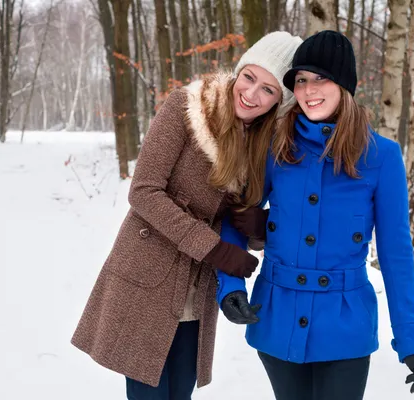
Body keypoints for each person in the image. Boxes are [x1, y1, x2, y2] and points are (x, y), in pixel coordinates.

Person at [70, 31, 303, 400]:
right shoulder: (186, 106)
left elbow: (240, 223)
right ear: (239, 71)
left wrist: (262, 227)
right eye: (249, 77)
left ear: (280, 100)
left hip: (198, 290)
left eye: (268, 90)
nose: (252, 94)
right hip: (148, 276)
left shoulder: (263, 144)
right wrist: (214, 249)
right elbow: (144, 191)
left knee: (180, 393)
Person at [216, 30, 414, 400]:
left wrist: (410, 337)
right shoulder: (276, 145)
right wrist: (231, 286)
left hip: (344, 324)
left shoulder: (381, 156)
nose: (308, 90)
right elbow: (237, 214)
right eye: (301, 80)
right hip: (276, 314)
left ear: (344, 85)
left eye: (321, 78)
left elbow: (396, 252)